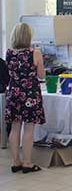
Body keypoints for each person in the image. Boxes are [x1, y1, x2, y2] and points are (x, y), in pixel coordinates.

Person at [5, 23, 45, 174]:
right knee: (29, 129)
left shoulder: (9, 53)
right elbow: (42, 75)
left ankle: (16, 162)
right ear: (29, 36)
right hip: (30, 94)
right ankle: (27, 163)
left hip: (13, 93)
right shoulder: (35, 53)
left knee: (15, 128)